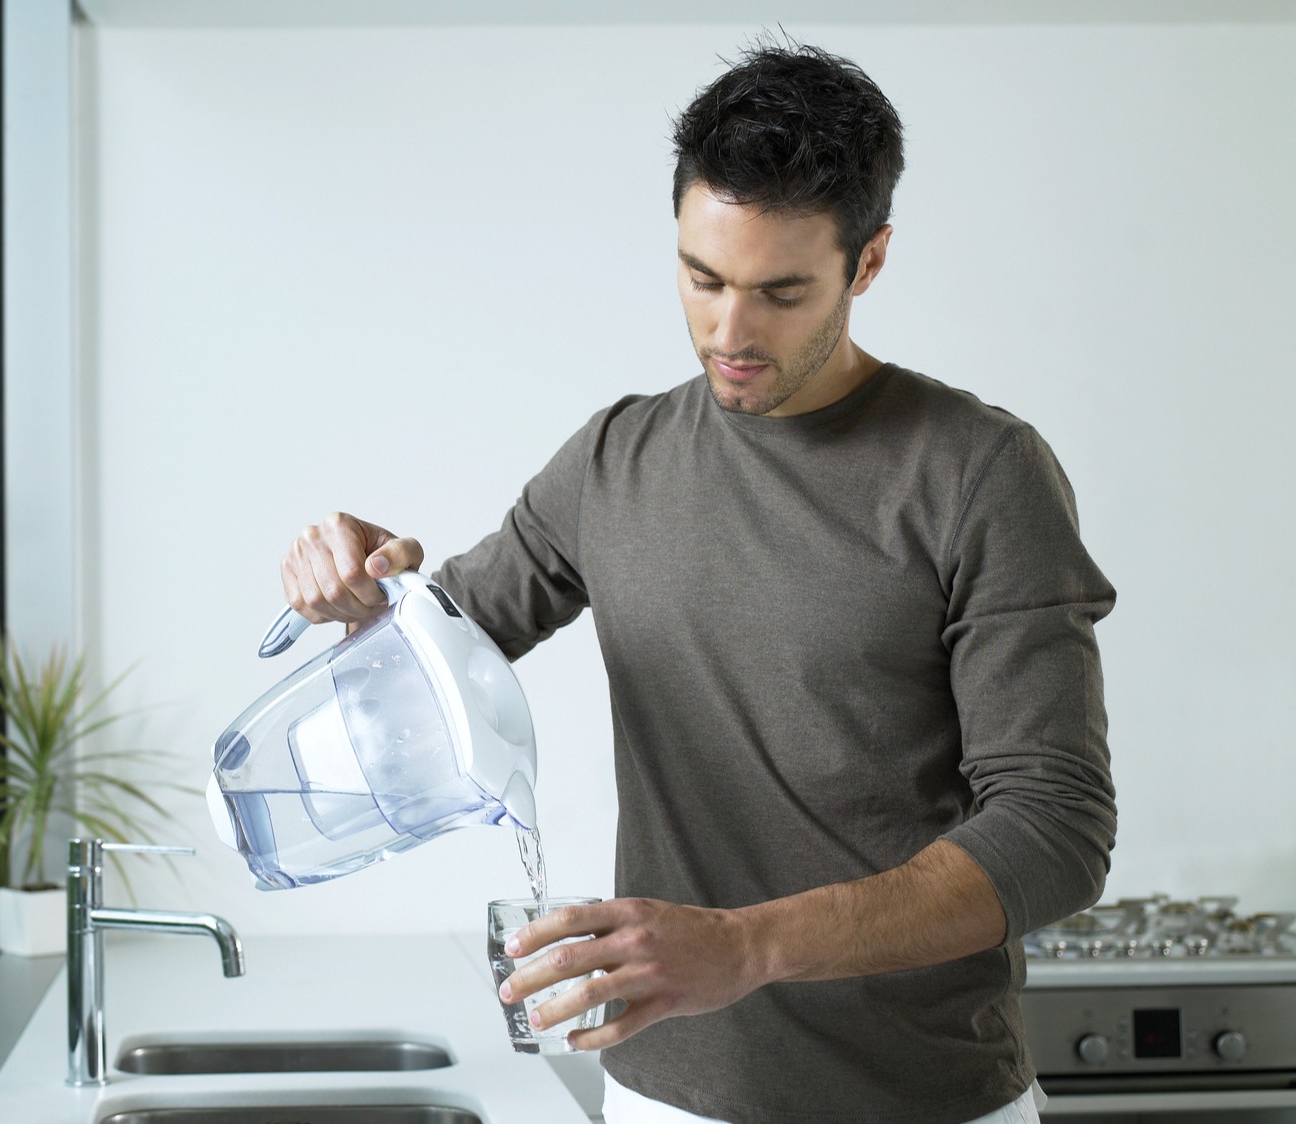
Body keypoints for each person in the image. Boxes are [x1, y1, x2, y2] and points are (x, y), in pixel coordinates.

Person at [276, 39, 1115, 1124]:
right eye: (702, 276)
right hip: (666, 1100)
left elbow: (1055, 830)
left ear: (867, 264)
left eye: (780, 292)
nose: (729, 333)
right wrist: (360, 589)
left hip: (926, 1102)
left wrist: (746, 945)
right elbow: (437, 647)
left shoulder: (980, 474)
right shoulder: (615, 459)